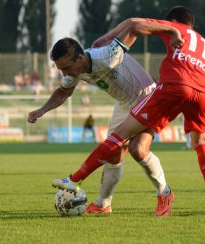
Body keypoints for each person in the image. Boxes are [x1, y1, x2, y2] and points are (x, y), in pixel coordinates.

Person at [52, 6, 205, 215]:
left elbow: (134, 22)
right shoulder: (204, 43)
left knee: (127, 143)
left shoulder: (173, 27)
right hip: (203, 91)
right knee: (198, 142)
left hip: (165, 89)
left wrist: (105, 37)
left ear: (173, 21)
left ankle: (75, 179)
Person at [27, 38, 172, 216]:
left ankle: (165, 193)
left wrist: (110, 35)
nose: (64, 73)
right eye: (60, 69)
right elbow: (63, 92)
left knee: (138, 149)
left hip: (149, 97)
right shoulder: (76, 71)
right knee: (113, 154)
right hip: (124, 104)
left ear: (79, 59)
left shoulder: (106, 56)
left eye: (65, 68)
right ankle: (103, 205)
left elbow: (133, 26)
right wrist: (42, 110)